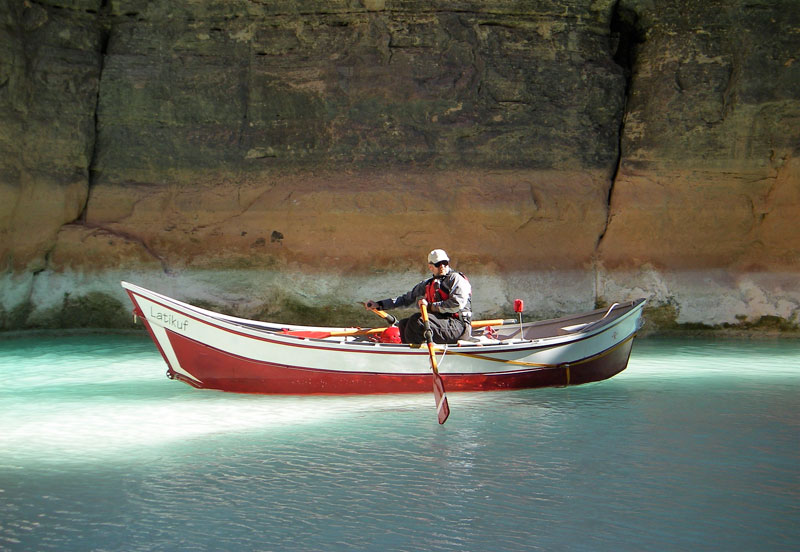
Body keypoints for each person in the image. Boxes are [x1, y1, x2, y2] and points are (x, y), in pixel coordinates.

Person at [365, 249, 472, 344]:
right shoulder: (427, 284)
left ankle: (418, 355)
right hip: (442, 324)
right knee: (403, 324)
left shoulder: (456, 279)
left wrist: (430, 306)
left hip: (459, 327)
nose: (443, 266)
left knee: (417, 321)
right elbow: (405, 300)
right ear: (430, 267)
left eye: (445, 263)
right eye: (439, 264)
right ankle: (410, 353)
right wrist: (379, 305)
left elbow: (456, 304)